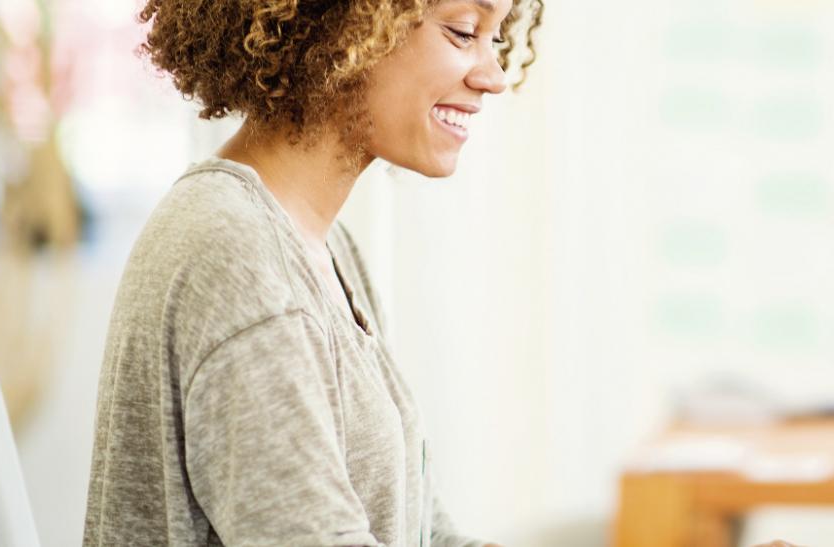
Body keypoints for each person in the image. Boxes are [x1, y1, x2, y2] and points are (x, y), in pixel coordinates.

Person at [80, 0, 797, 544]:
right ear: (345, 23)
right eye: (462, 30)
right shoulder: (236, 258)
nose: (492, 75)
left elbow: (429, 535)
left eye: (498, 35)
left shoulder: (322, 254)